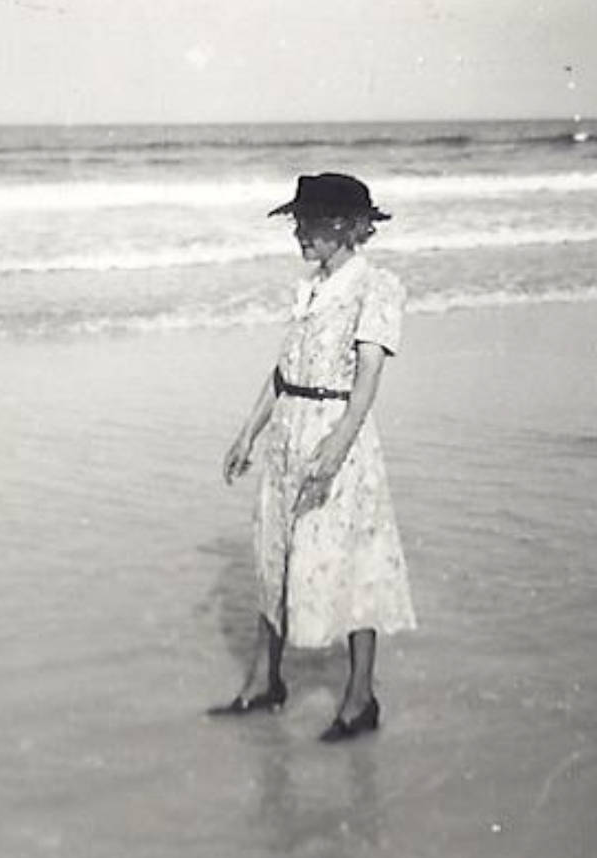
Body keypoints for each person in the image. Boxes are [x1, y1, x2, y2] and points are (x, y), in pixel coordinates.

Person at [209, 173, 417, 743]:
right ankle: (263, 681)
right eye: (297, 222)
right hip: (289, 433)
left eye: (311, 223)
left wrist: (341, 441)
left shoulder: (375, 287)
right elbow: (284, 372)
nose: (299, 233)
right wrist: (248, 432)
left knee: (352, 557)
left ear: (348, 227)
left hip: (334, 432)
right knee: (275, 553)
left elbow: (370, 373)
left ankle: (360, 698)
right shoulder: (309, 289)